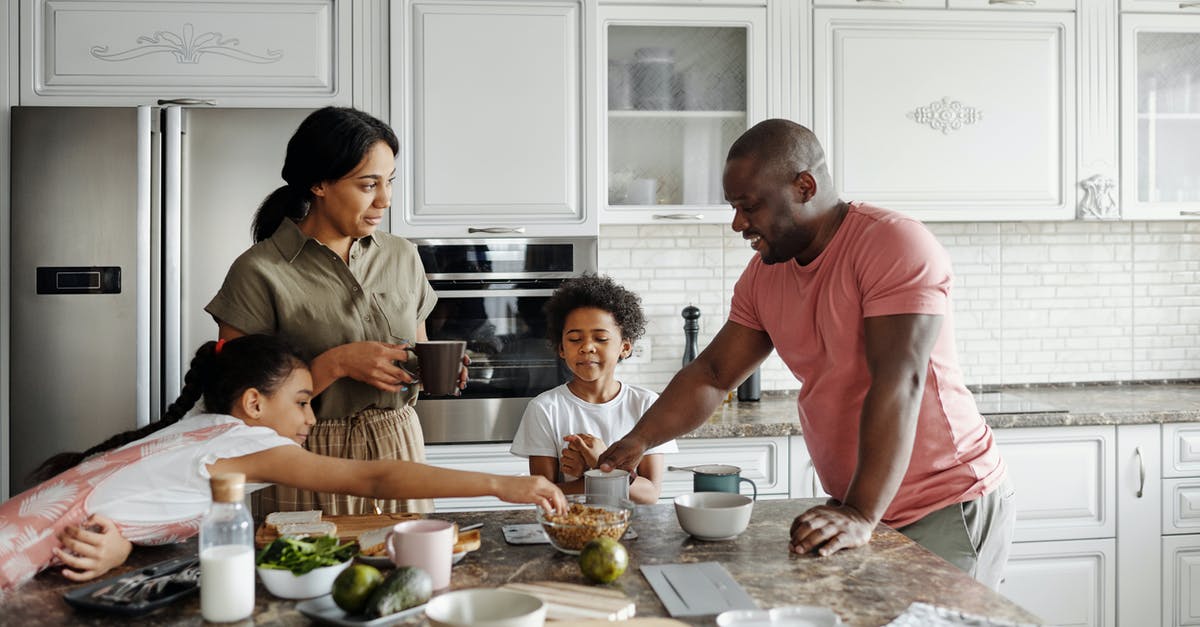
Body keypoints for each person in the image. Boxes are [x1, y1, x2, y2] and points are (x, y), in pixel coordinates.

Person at [596, 119, 1014, 589]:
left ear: (804, 186)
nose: (738, 223)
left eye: (748, 206)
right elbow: (713, 374)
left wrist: (859, 511)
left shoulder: (892, 244)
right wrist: (639, 439)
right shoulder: (764, 274)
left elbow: (899, 381)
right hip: (856, 506)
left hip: (942, 502)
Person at [0, 335, 565, 592]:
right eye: (301, 402)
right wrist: (503, 482)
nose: (311, 419)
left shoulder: (198, 431)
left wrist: (121, 546)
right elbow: (373, 476)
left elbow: (135, 506)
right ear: (252, 404)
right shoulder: (241, 442)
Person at [205, 106, 462, 515]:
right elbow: (237, 406)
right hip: (307, 458)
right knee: (309, 574)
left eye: (389, 182)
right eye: (368, 185)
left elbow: (417, 350)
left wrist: (430, 369)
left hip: (399, 446)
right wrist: (337, 363)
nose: (385, 199)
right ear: (318, 183)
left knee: (410, 574)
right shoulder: (259, 271)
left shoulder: (402, 257)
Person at [510, 275, 676, 504]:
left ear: (625, 347)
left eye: (600, 338)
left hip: (635, 531)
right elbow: (544, 495)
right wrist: (598, 474)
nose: (587, 347)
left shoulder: (647, 404)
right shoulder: (544, 409)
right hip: (571, 531)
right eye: (575, 339)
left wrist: (599, 464)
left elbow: (649, 495)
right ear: (561, 348)